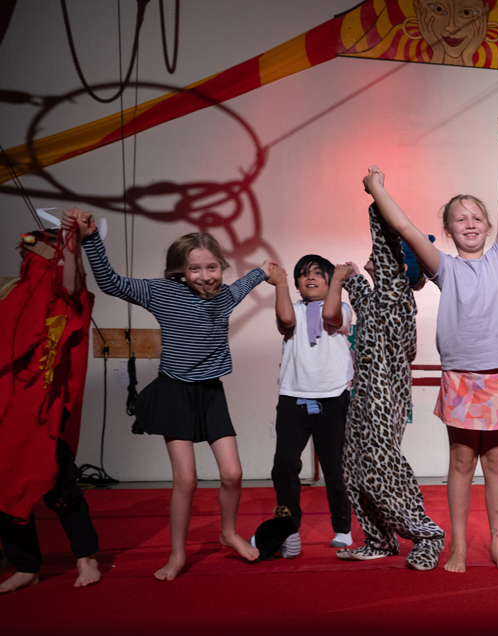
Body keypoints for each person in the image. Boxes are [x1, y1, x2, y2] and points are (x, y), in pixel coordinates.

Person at [363, 115, 498, 573]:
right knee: (460, 461)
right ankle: (457, 546)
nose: (470, 224)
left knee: (496, 462)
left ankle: (496, 542)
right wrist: (376, 186)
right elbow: (408, 228)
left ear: (489, 227)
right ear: (449, 231)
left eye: (477, 217)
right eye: (460, 219)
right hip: (460, 375)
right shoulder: (444, 268)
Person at [84, 221, 268, 580]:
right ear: (180, 271)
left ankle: (228, 532)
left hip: (211, 392)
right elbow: (110, 282)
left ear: (221, 267)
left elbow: (251, 279)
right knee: (186, 480)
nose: (205, 276)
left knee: (233, 473)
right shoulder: (162, 293)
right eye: (195, 269)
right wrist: (92, 239)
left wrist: (265, 271)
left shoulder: (226, 295)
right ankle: (177, 555)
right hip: (175, 392)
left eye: (211, 267)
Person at [333, 197, 446, 569]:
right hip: (363, 390)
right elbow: (360, 295)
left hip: (386, 389)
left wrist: (376, 201)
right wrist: (348, 279)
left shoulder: (395, 292)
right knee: (353, 466)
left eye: (381, 257)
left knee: (383, 464)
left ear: (397, 267)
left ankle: (427, 535)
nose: (372, 257)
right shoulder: (376, 296)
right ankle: (380, 538)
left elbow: (386, 247)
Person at [0, 209, 102, 592]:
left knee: (61, 486)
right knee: (3, 485)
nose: (31, 258)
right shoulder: (13, 295)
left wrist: (71, 241)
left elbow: (72, 282)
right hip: (10, 413)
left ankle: (85, 557)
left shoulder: (64, 297)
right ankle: (26, 565)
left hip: (46, 413)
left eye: (41, 249)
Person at [266, 254, 355, 554]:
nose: (310, 278)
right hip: (294, 396)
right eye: (303, 275)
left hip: (333, 397)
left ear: (330, 281)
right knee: (284, 464)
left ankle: (343, 528)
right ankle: (288, 529)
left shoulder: (342, 306)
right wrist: (279, 284)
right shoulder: (293, 308)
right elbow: (287, 321)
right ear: (297, 284)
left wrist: (340, 281)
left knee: (335, 468)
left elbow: (330, 316)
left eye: (318, 273)